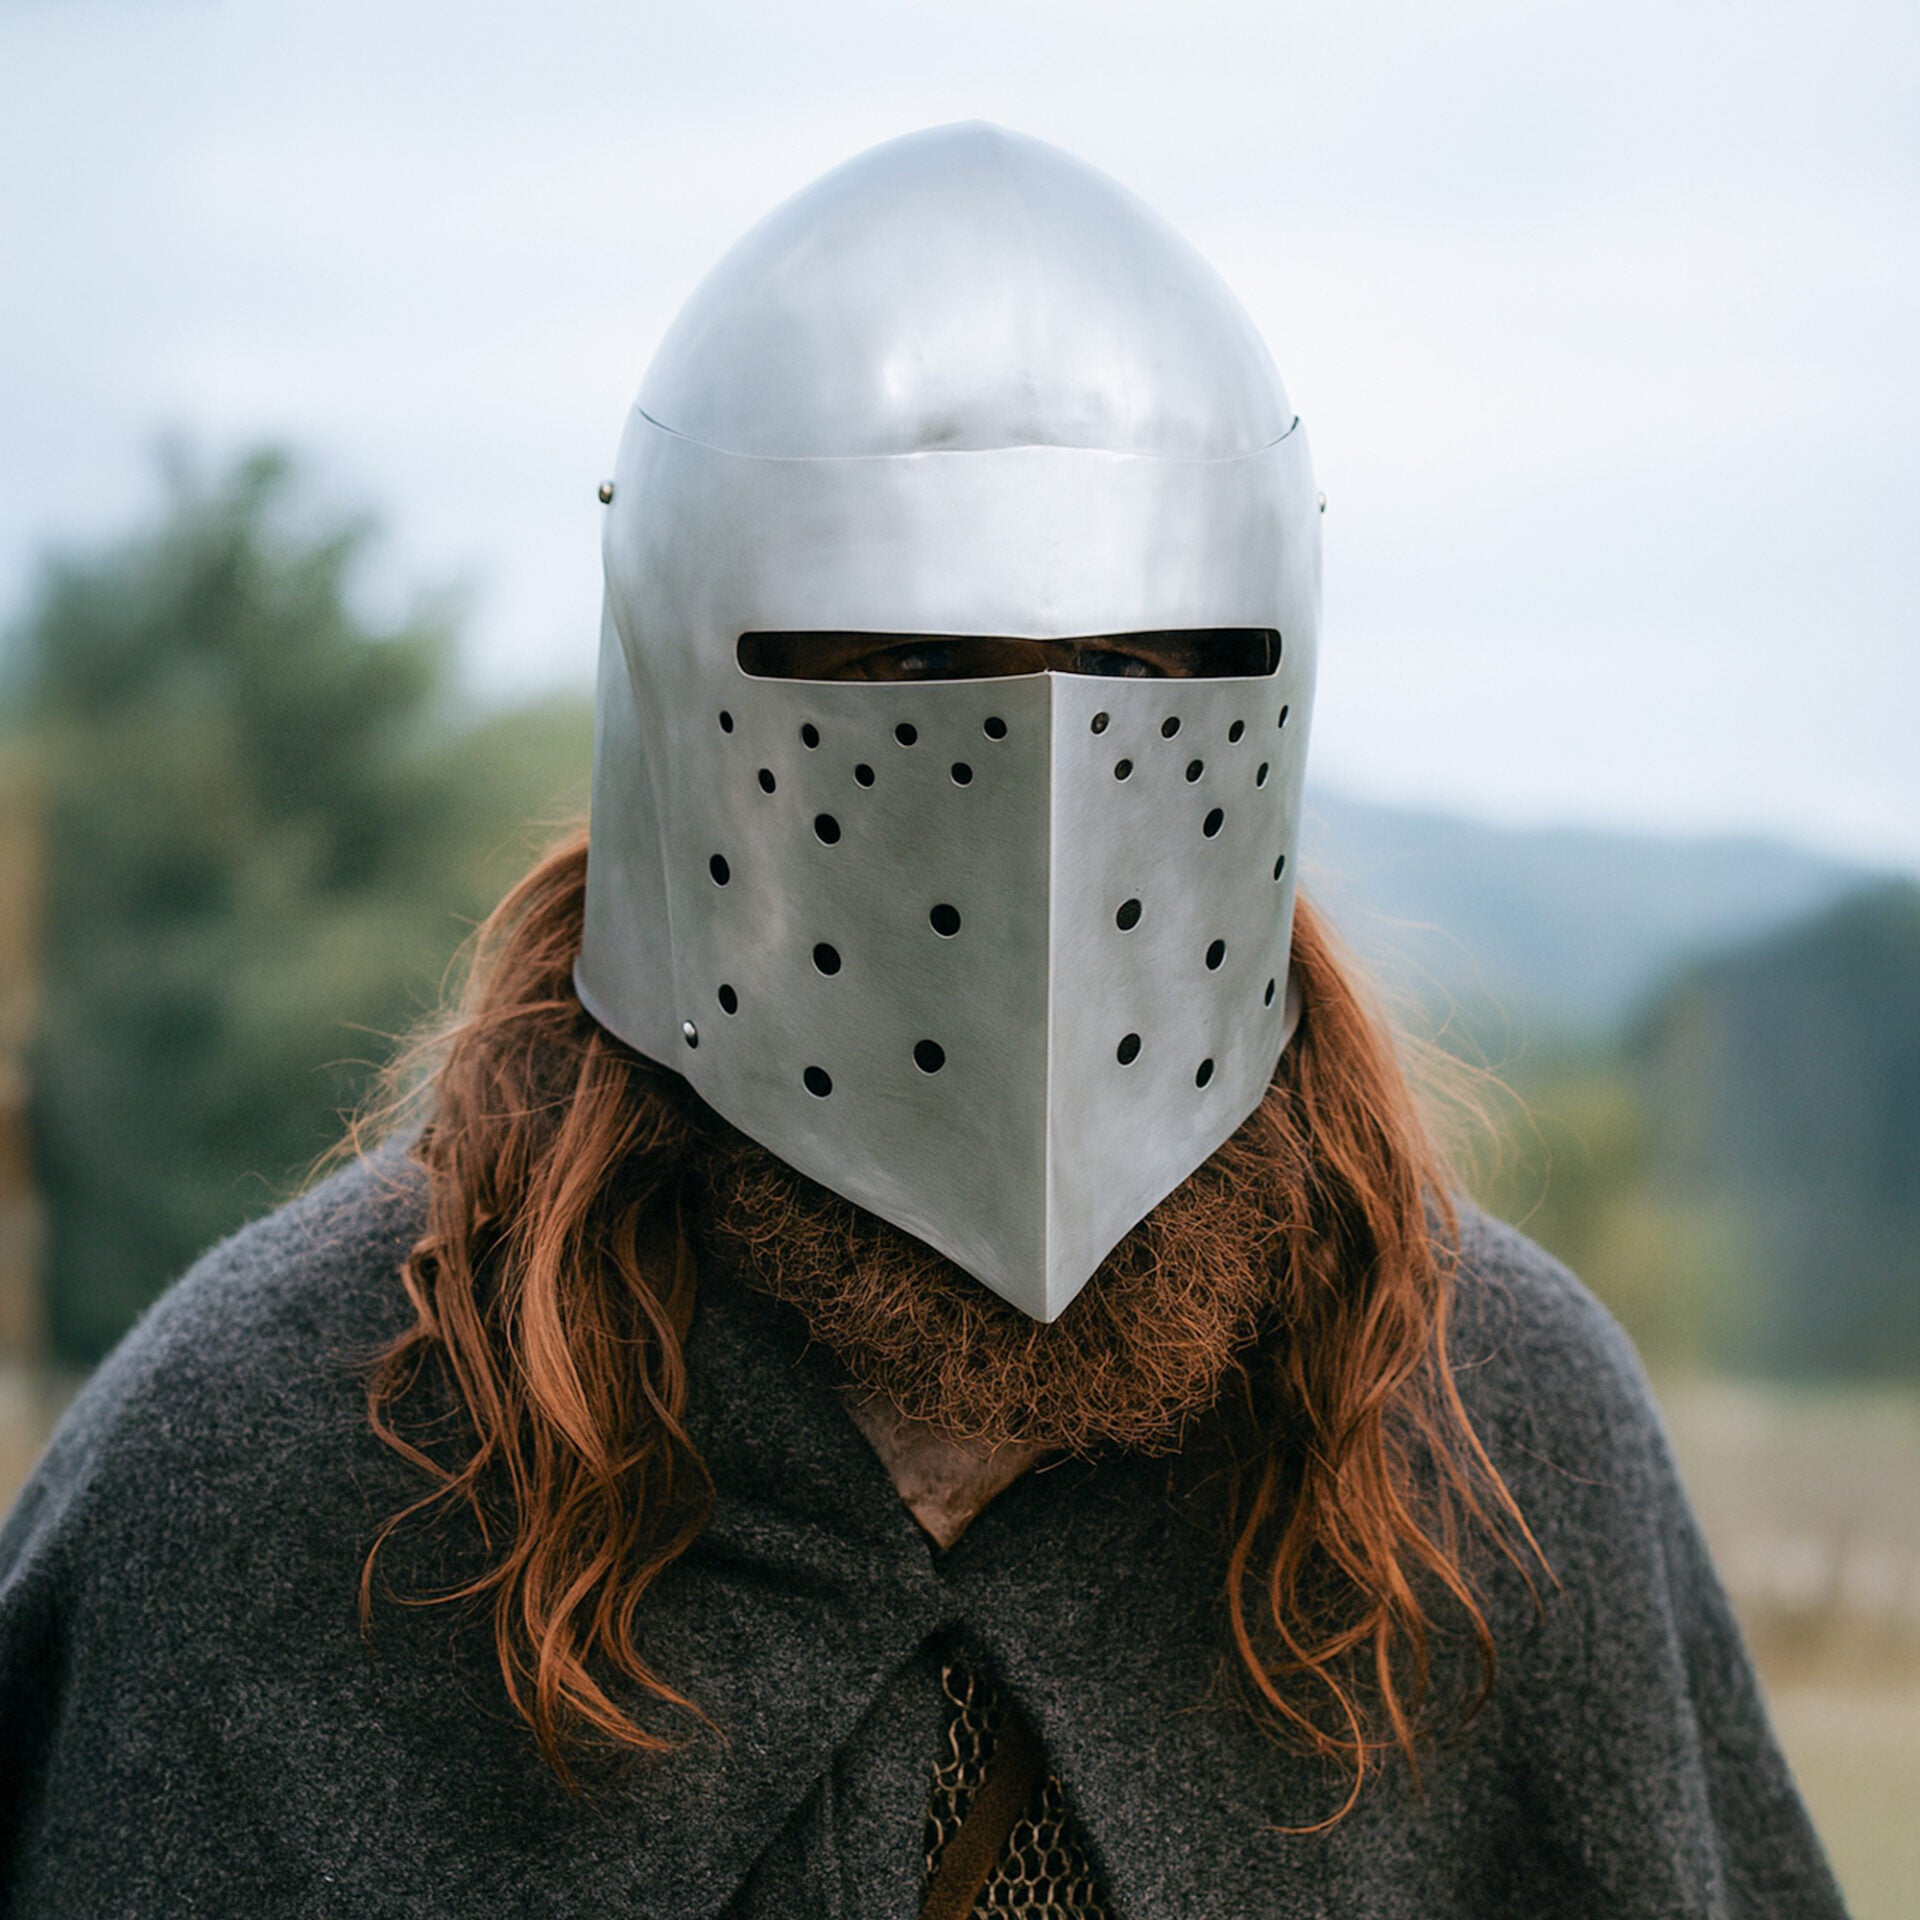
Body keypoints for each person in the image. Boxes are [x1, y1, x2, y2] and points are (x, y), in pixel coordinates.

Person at [0, 124, 1845, 1919]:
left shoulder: (1488, 1437)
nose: (1039, 791)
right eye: (901, 669)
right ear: (690, 681)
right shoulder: (298, 1456)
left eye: (1142, 670)